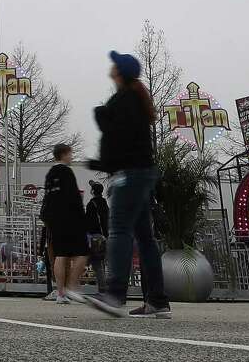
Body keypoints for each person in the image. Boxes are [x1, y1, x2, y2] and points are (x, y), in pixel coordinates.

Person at [85, 51, 171, 319]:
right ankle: (157, 301)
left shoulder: (124, 100)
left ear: (119, 72)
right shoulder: (136, 98)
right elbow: (130, 141)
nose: (110, 68)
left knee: (120, 229)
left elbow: (117, 138)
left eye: (113, 65)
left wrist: (101, 115)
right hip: (142, 172)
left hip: (129, 174)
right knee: (145, 238)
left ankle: (115, 294)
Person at [41, 143, 89, 304]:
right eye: (70, 153)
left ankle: (60, 293)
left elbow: (47, 198)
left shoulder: (50, 174)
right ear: (64, 154)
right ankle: (71, 286)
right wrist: (82, 219)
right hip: (70, 219)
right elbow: (73, 197)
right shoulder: (66, 172)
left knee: (60, 255)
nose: (72, 157)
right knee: (82, 253)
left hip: (54, 220)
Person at [85, 181, 109, 293]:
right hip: (105, 236)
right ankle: (107, 287)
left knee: (97, 264)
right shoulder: (104, 203)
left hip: (95, 237)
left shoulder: (91, 204)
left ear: (93, 191)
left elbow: (88, 223)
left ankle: (102, 289)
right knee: (104, 263)